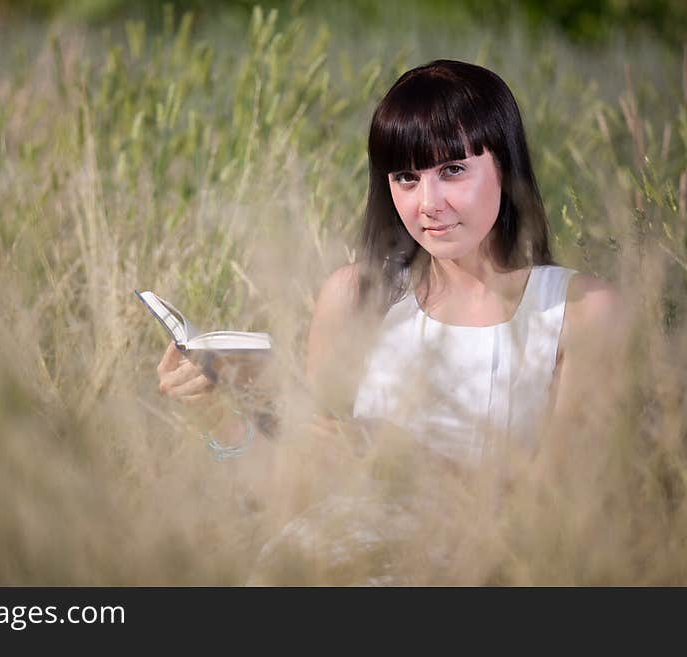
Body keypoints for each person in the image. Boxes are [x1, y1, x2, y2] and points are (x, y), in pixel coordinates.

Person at [157, 59, 622, 485]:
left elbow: (566, 512)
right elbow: (300, 483)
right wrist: (216, 415)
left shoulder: (580, 311)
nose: (429, 204)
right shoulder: (355, 296)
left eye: (454, 169)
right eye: (406, 178)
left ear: (506, 166)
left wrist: (399, 459)